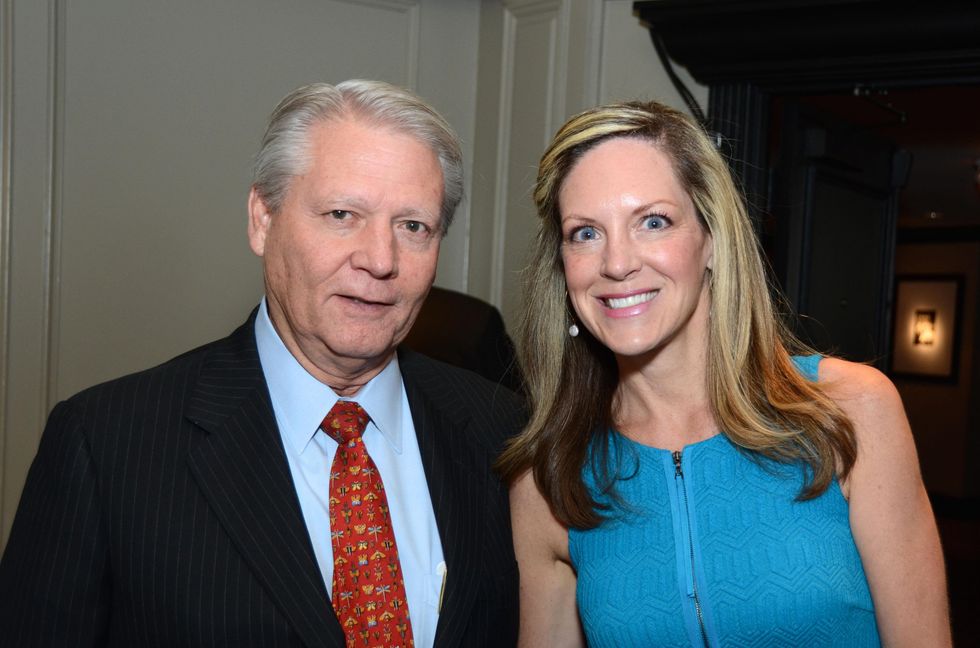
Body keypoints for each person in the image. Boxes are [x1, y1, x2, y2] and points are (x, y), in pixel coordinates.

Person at [0, 80, 523, 647]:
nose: (380, 259)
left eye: (412, 226)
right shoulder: (105, 446)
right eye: (342, 213)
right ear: (262, 219)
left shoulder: (506, 434)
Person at [497, 100, 951, 647]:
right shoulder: (549, 480)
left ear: (710, 239)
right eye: (585, 233)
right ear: (562, 263)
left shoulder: (850, 411)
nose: (617, 263)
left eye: (653, 221)